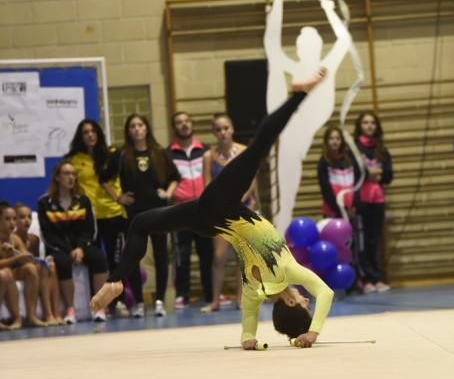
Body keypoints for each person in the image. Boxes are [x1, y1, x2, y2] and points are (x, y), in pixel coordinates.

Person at [91, 69, 334, 350]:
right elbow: (249, 322)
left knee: (258, 147)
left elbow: (325, 293)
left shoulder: (289, 270)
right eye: (308, 300)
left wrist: (313, 332)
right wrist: (249, 339)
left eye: (305, 302)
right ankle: (116, 281)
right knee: (142, 223)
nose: (307, 298)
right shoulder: (255, 290)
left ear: (291, 302)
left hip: (223, 210)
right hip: (209, 224)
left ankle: (300, 93)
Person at [264, 0, 351, 235]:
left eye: (311, 42)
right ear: (299, 47)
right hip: (289, 126)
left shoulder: (326, 66)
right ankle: (280, 238)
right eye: (302, 42)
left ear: (317, 46)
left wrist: (330, 13)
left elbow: (344, 41)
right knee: (286, 198)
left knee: (287, 192)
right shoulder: (293, 67)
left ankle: (281, 233)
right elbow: (271, 43)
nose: (306, 46)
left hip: (304, 126)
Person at [101, 114, 180, 317]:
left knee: (161, 255)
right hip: (135, 213)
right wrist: (118, 198)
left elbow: (174, 177)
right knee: (134, 256)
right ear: (128, 131)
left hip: (159, 211)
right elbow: (104, 179)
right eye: (133, 126)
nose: (137, 129)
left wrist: (168, 193)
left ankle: (160, 301)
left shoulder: (159, 152)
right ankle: (136, 302)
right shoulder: (121, 154)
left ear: (147, 128)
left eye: (140, 125)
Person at [66, 119, 128, 317]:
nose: (90, 135)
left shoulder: (112, 153)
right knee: (96, 260)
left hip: (112, 213)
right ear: (80, 136)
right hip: (88, 219)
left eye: (93, 131)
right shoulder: (74, 160)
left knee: (115, 261)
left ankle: (116, 303)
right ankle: (97, 304)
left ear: (99, 133)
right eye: (85, 132)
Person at [38, 160, 108, 324]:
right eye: (66, 174)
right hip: (58, 248)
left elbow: (91, 230)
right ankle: (70, 309)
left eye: (73, 174)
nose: (71, 178)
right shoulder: (44, 203)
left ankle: (99, 306)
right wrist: (69, 250)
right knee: (62, 261)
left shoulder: (83, 200)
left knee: (99, 258)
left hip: (81, 246)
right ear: (57, 177)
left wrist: (81, 248)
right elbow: (47, 234)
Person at [201, 113, 258, 312]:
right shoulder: (209, 156)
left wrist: (241, 199)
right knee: (218, 256)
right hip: (221, 212)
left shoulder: (244, 151)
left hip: (243, 207)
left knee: (242, 256)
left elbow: (252, 180)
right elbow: (207, 184)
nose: (223, 132)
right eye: (218, 129)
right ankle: (215, 300)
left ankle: (240, 298)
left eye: (226, 128)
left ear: (232, 129)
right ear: (214, 132)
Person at [167, 111, 213, 309]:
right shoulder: (167, 154)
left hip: (203, 210)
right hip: (180, 211)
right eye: (179, 122)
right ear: (174, 127)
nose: (184, 125)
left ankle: (210, 293)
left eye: (187, 121)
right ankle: (182, 295)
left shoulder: (205, 150)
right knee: (181, 255)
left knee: (207, 254)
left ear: (191, 124)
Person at [353, 111, 393, 293]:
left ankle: (376, 278)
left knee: (374, 241)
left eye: (372, 123)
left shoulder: (381, 149)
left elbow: (389, 176)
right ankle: (366, 279)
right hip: (361, 200)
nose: (369, 126)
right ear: (360, 126)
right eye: (365, 123)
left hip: (377, 200)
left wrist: (379, 173)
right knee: (361, 241)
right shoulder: (354, 149)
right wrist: (367, 173)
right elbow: (351, 174)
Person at [13, 202, 62, 325]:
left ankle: (56, 314)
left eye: (29, 217)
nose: (27, 220)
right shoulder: (13, 237)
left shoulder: (34, 239)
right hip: (16, 270)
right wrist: (40, 262)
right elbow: (23, 260)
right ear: (15, 220)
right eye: (22, 217)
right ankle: (48, 315)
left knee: (51, 266)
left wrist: (46, 260)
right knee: (42, 266)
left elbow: (33, 257)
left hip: (31, 268)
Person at [0, 201, 45, 327]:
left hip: (9, 273)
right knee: (5, 274)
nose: (12, 223)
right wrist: (16, 258)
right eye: (7, 219)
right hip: (4, 274)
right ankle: (17, 319)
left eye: (14, 219)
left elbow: (27, 259)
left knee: (30, 269)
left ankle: (31, 316)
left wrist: (17, 253)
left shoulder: (14, 238)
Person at [318, 126, 360, 218]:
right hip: (333, 210)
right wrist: (339, 209)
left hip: (350, 209)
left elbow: (356, 184)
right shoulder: (324, 162)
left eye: (338, 138)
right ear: (326, 141)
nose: (335, 141)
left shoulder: (349, 160)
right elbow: (326, 190)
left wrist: (354, 204)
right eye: (331, 138)